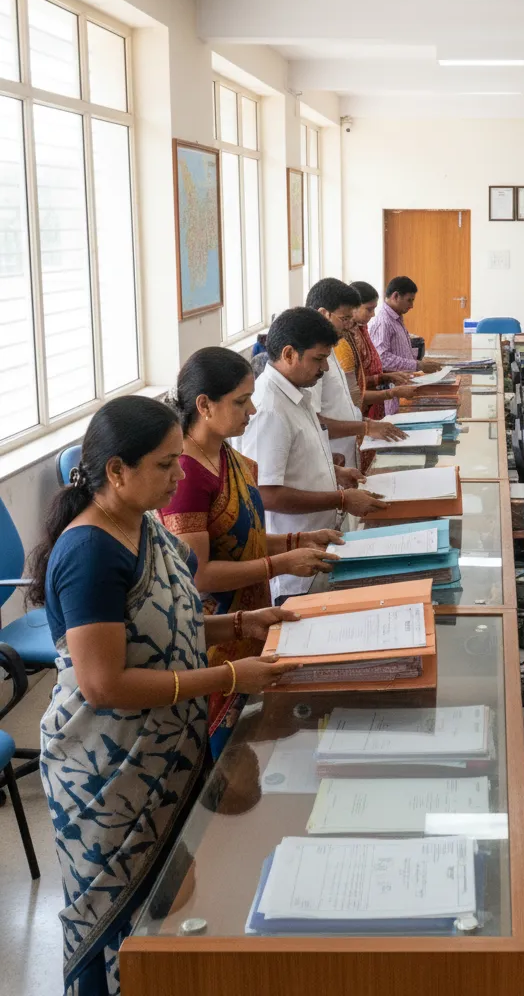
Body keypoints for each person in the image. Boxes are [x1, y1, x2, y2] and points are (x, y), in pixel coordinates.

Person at [30, 395, 301, 996]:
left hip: (164, 745)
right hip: (106, 767)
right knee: (116, 921)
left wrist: (237, 626)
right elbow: (105, 684)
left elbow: (169, 621)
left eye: (179, 461)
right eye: (164, 465)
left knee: (164, 907)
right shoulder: (89, 552)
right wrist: (230, 677)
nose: (179, 477)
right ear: (116, 471)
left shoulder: (142, 525)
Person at [160, 347, 344, 754]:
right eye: (241, 401)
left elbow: (244, 542)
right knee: (225, 756)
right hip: (216, 632)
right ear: (204, 405)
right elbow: (200, 574)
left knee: (258, 739)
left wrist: (299, 542)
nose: (252, 410)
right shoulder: (185, 475)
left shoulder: (226, 454)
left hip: (251, 616)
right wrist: (279, 562)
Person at [235, 307, 388, 601]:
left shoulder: (296, 391)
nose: (325, 369)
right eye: (319, 360)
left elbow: (296, 459)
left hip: (318, 546)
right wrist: (341, 498)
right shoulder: (269, 408)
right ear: (290, 354)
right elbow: (266, 493)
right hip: (296, 572)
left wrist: (336, 472)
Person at [305, 278, 407, 470]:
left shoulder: (331, 350)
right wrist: (365, 427)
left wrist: (364, 423)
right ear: (324, 314)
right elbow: (313, 421)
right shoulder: (311, 361)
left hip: (346, 455)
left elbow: (342, 403)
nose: (349, 325)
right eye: (344, 319)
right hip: (331, 458)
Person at [368, 275, 444, 414]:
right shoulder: (383, 322)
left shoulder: (396, 318)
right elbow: (382, 358)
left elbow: (399, 350)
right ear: (396, 296)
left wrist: (418, 362)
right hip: (391, 391)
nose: (411, 306)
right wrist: (418, 365)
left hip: (402, 387)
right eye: (409, 300)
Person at [349, 279, 419, 420]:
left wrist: (386, 377)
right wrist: (417, 365)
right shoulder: (383, 321)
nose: (373, 314)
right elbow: (353, 389)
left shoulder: (361, 328)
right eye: (369, 309)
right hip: (367, 404)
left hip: (380, 395)